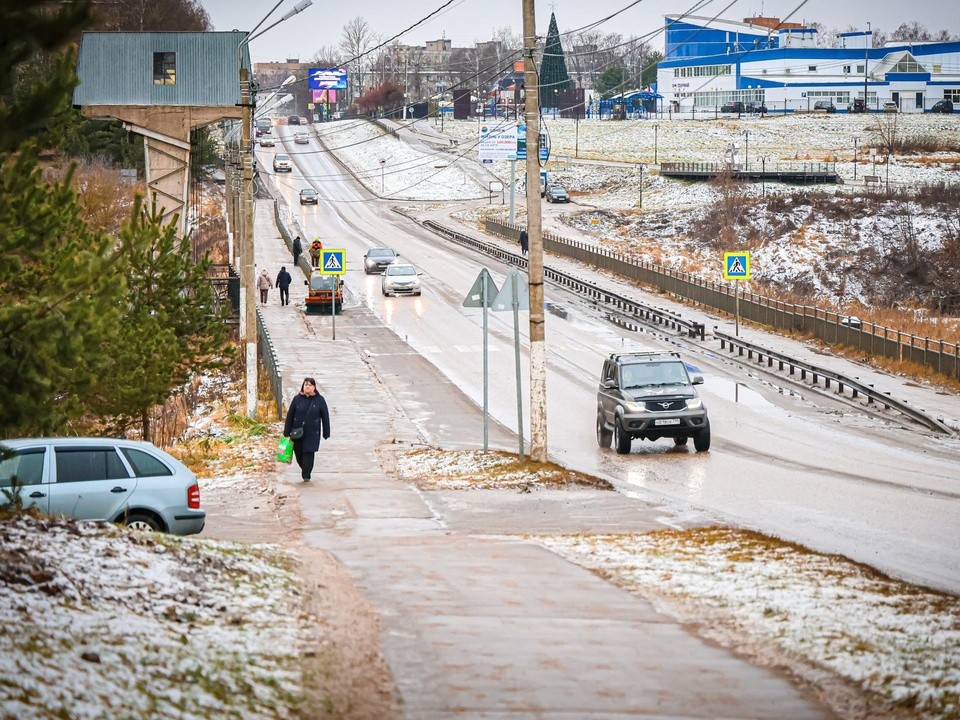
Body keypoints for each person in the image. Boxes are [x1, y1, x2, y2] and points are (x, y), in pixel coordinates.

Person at [283, 377, 331, 482]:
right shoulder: (297, 399)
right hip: (297, 432)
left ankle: (306, 474)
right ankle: (305, 469)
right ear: (303, 386)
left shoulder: (320, 400)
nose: (307, 387)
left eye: (310, 385)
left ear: (314, 387)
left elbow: (325, 417)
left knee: (309, 453)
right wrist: (287, 431)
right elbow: (290, 415)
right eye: (306, 385)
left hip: (312, 433)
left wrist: (326, 432)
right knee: (299, 453)